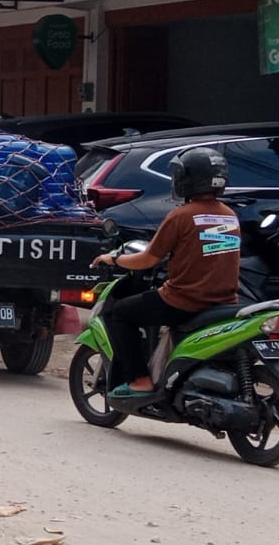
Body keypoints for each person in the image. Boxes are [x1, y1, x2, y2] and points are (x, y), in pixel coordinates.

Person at [91, 146, 241, 401]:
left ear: (188, 179)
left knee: (119, 314)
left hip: (183, 301)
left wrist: (113, 258)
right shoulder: (229, 216)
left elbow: (148, 259)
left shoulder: (181, 215)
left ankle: (139, 381)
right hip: (223, 302)